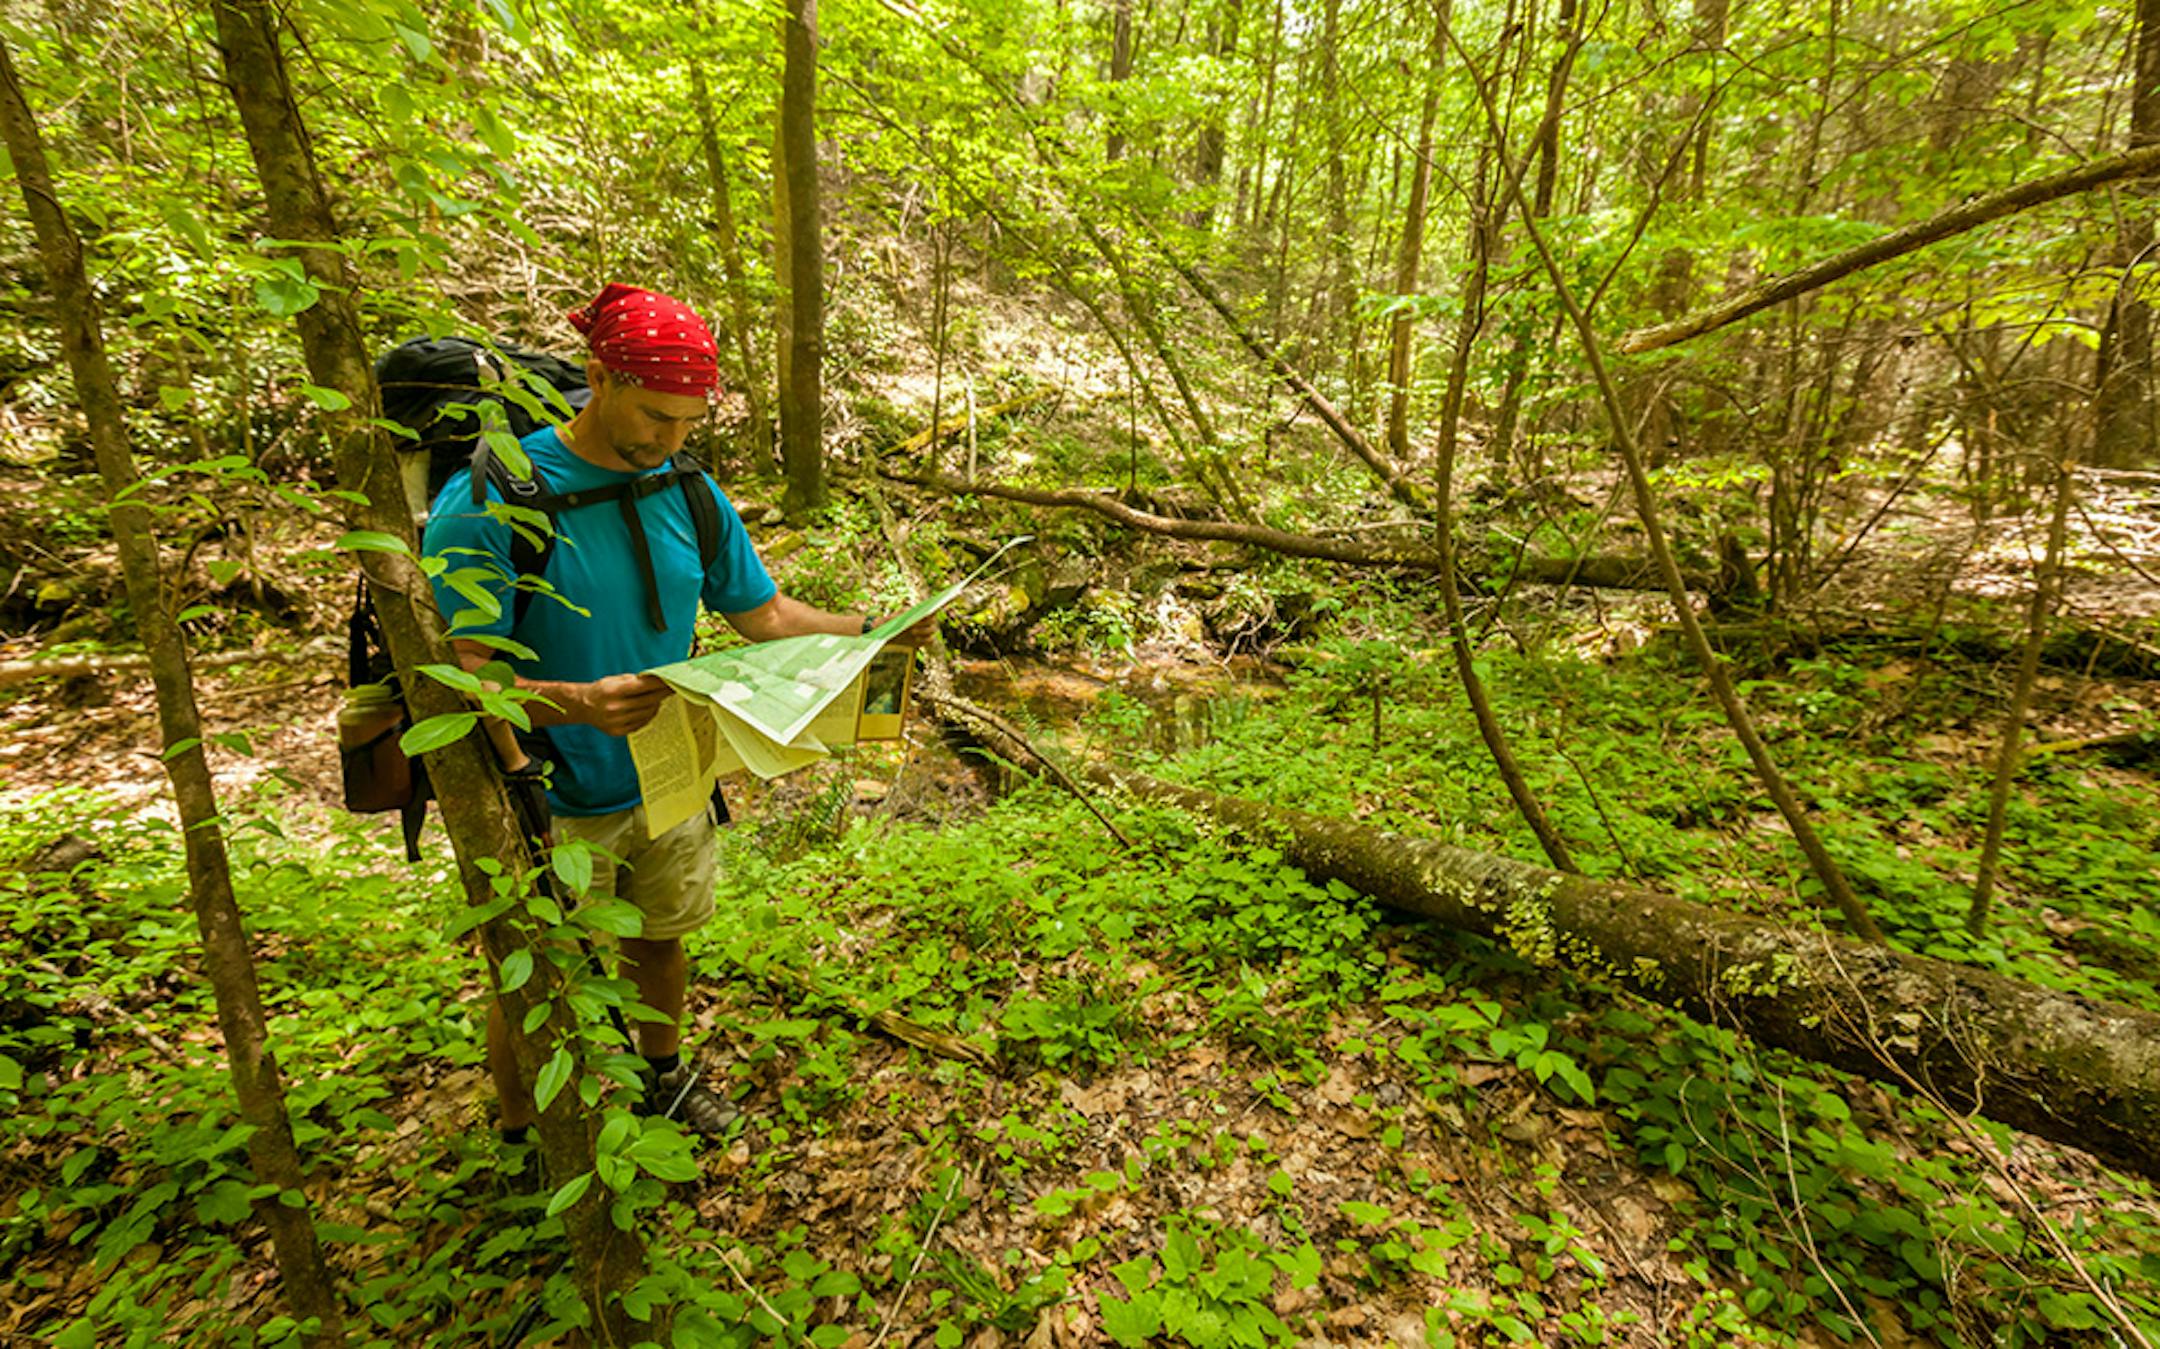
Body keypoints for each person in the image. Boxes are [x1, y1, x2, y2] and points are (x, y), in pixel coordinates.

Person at [422, 283, 928, 1143]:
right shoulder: (490, 501)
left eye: (690, 422)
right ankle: (525, 1133)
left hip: (667, 766)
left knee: (662, 933)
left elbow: (764, 616)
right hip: (542, 790)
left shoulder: (686, 488)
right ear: (599, 377)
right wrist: (575, 702)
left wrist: (871, 631)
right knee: (538, 974)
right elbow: (454, 684)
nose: (671, 439)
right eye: (657, 416)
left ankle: (660, 1075)